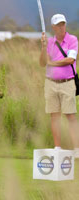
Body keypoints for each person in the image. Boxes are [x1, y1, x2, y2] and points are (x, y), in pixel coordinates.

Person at [40, 14, 79, 157]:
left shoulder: (72, 39)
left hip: (67, 83)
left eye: (63, 24)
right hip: (50, 83)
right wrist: (43, 47)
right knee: (54, 116)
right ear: (53, 27)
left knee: (70, 116)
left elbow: (70, 59)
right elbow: (42, 63)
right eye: (59, 25)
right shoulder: (49, 42)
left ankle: (77, 149)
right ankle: (57, 148)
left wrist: (53, 63)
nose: (62, 27)